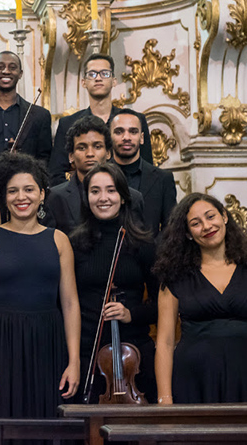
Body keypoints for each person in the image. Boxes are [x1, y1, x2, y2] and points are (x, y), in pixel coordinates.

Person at [0, 152, 80, 444]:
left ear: (42, 194)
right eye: (13, 191)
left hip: (49, 344)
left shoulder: (59, 240)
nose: (22, 197)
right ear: (3, 198)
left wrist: (74, 361)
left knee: (47, 427)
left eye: (29, 189)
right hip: (1, 344)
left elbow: (69, 304)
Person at [154, 193, 247, 404]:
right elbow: (165, 342)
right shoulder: (175, 276)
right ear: (187, 233)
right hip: (191, 380)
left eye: (210, 216)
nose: (206, 226)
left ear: (224, 216)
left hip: (244, 378)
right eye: (196, 223)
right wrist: (164, 397)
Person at [69, 163, 158, 403]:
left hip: (134, 354)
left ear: (123, 196)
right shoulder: (74, 243)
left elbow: (164, 306)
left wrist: (131, 314)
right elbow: (66, 302)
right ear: (86, 198)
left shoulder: (142, 243)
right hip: (87, 353)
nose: (103, 198)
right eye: (95, 191)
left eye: (111, 190)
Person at [48, 53, 152, 186]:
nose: (98, 78)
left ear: (114, 80)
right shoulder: (67, 124)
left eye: (105, 73)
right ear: (83, 82)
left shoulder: (135, 120)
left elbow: (148, 168)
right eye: (92, 74)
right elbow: (56, 173)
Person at [45, 115, 144, 236]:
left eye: (97, 147)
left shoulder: (132, 197)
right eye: (82, 148)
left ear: (108, 153)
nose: (90, 154)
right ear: (71, 156)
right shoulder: (55, 198)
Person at [0, 51, 52, 166]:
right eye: (0, 67)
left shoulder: (40, 115)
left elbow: (44, 159)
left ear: (20, 74)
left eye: (12, 67)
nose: (6, 71)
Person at [109, 108, 176, 237]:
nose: (126, 137)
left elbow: (171, 228)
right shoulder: (97, 177)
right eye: (119, 132)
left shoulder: (163, 179)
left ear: (142, 138)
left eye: (133, 132)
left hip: (152, 255)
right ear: (110, 137)